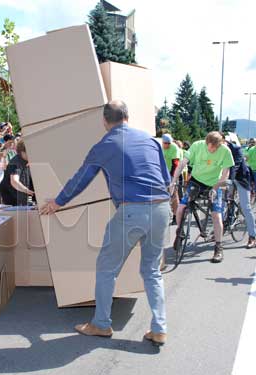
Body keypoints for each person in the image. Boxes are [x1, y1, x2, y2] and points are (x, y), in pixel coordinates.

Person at [40, 101, 170, 347]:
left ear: (104, 121)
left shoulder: (104, 146)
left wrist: (58, 202)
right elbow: (164, 178)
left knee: (106, 269)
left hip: (133, 211)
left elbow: (81, 179)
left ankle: (101, 324)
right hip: (162, 208)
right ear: (127, 117)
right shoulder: (151, 141)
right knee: (152, 271)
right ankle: (159, 329)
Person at [171, 131, 234, 263]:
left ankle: (218, 247)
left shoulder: (225, 151)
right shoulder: (197, 145)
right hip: (196, 181)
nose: (211, 149)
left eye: (214, 147)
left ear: (220, 144)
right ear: (206, 142)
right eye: (209, 146)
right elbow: (183, 163)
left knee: (216, 215)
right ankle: (179, 232)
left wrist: (217, 188)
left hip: (214, 183)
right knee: (181, 207)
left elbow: (225, 172)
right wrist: (173, 180)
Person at [225, 134, 256, 248]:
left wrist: (228, 181)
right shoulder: (215, 150)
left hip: (240, 178)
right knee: (221, 203)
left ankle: (252, 236)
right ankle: (223, 226)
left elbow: (235, 166)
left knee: (245, 206)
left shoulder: (236, 150)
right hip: (226, 177)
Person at [0, 140, 35, 206]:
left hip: (22, 191)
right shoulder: (15, 163)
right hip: (10, 193)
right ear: (22, 152)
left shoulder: (27, 160)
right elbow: (14, 181)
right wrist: (27, 190)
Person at [162, 133, 181, 225]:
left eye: (168, 143)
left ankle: (176, 216)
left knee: (174, 195)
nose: (167, 145)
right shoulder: (160, 147)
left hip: (172, 173)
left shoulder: (174, 148)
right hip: (162, 174)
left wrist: (172, 180)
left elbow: (176, 164)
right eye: (165, 143)